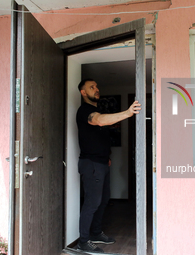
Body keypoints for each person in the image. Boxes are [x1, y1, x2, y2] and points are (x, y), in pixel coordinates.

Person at [76, 78, 141, 253]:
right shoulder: (85, 111)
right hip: (91, 164)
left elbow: (100, 137)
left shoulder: (96, 109)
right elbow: (99, 121)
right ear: (83, 92)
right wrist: (128, 113)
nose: (96, 89)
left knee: (103, 200)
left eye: (97, 86)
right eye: (92, 87)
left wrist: (107, 157)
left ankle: (96, 233)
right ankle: (83, 241)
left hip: (102, 163)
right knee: (92, 202)